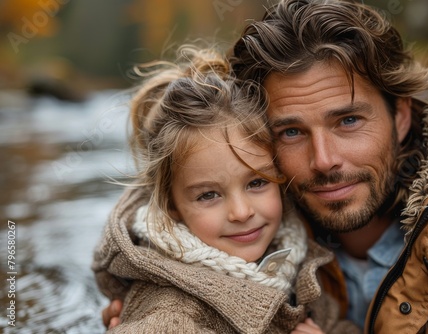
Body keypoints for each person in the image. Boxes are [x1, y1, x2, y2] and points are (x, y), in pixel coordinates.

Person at [103, 0, 428, 332]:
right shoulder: (259, 237)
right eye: (291, 131)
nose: (324, 161)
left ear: (400, 117)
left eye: (348, 121)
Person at [92, 46, 360, 333]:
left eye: (257, 182)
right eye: (208, 195)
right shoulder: (172, 314)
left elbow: (339, 324)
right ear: (172, 206)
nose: (241, 212)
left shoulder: (294, 256)